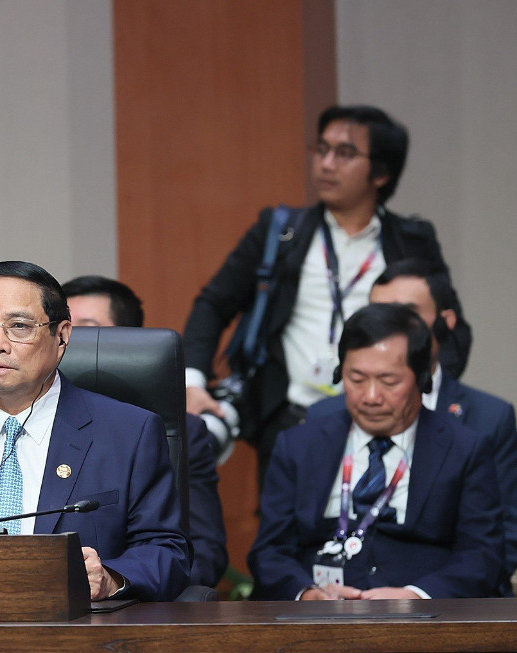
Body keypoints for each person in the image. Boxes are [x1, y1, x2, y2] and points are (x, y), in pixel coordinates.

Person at [182, 105, 467, 487]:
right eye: (321, 149)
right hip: (290, 421)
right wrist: (192, 383)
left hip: (386, 421)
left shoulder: (412, 241)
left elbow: (452, 329)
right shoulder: (279, 231)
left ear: (381, 173)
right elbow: (213, 304)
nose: (326, 164)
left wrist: (431, 400)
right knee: (285, 523)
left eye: (345, 153)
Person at [0, 261, 190, 601]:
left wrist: (109, 578)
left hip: (71, 626)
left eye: (19, 326)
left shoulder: (129, 432)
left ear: (62, 335)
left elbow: (166, 551)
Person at [249, 303, 505, 600]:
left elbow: (482, 555)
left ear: (422, 378)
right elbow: (269, 551)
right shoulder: (299, 445)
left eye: (389, 381)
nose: (371, 397)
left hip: (424, 617)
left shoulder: (464, 449)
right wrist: (306, 595)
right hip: (316, 616)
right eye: (356, 379)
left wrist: (417, 596)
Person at [307, 259, 517, 579]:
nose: (389, 327)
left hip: (444, 598)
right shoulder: (325, 416)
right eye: (379, 312)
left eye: (407, 314)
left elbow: (503, 540)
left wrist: (432, 594)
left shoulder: (488, 418)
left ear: (445, 323)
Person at [63, 275, 228, 588]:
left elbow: (204, 554)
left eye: (85, 329)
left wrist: (124, 584)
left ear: (128, 340)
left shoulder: (178, 431)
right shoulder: (33, 424)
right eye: (62, 329)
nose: (69, 342)